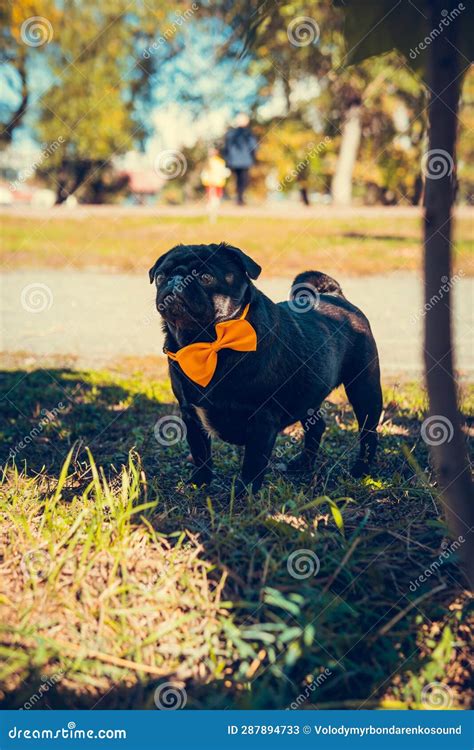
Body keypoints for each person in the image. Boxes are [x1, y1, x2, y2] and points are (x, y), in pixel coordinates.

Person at [222, 113, 257, 205]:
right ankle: (240, 198)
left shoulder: (230, 133)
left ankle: (238, 197)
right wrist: (253, 158)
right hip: (245, 161)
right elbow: (253, 147)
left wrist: (226, 159)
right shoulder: (248, 133)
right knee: (243, 180)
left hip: (233, 161)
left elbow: (226, 148)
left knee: (237, 179)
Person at [200, 147, 230, 213]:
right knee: (210, 195)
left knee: (217, 194)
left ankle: (215, 205)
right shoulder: (208, 162)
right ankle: (210, 205)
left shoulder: (220, 162)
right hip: (210, 182)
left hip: (217, 181)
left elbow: (222, 171)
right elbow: (206, 172)